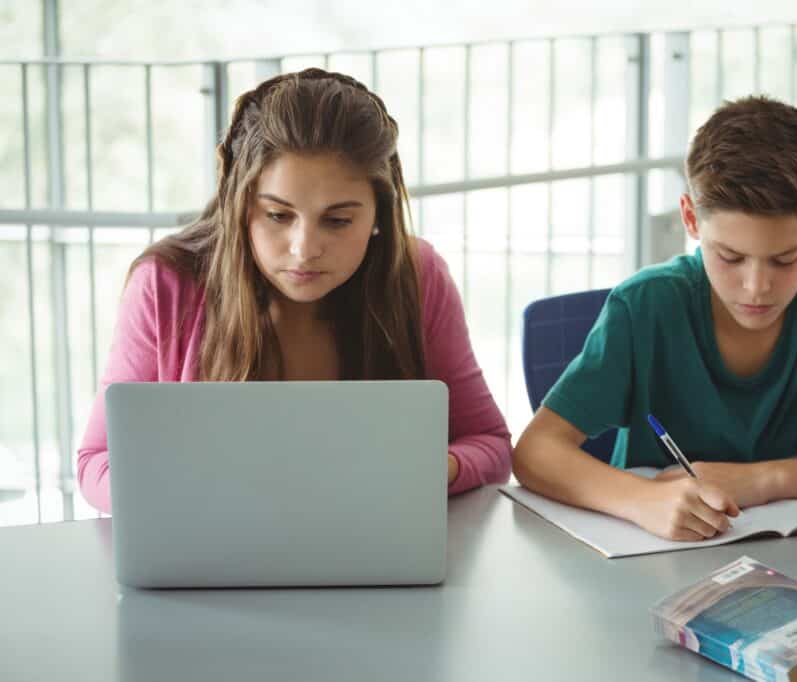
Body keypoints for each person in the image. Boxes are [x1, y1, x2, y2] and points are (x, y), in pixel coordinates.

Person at [77, 68, 511, 514]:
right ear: (239, 204)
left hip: (368, 549)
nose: (305, 249)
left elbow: (491, 445)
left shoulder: (417, 275)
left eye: (338, 220)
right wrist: (185, 495)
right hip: (209, 557)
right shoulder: (166, 283)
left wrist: (430, 468)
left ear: (378, 215)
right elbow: (96, 463)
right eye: (278, 216)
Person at [513, 96, 797, 542]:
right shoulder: (645, 307)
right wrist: (640, 500)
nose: (757, 287)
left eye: (786, 259)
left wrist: (766, 480)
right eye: (730, 257)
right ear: (691, 219)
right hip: (655, 557)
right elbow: (535, 451)